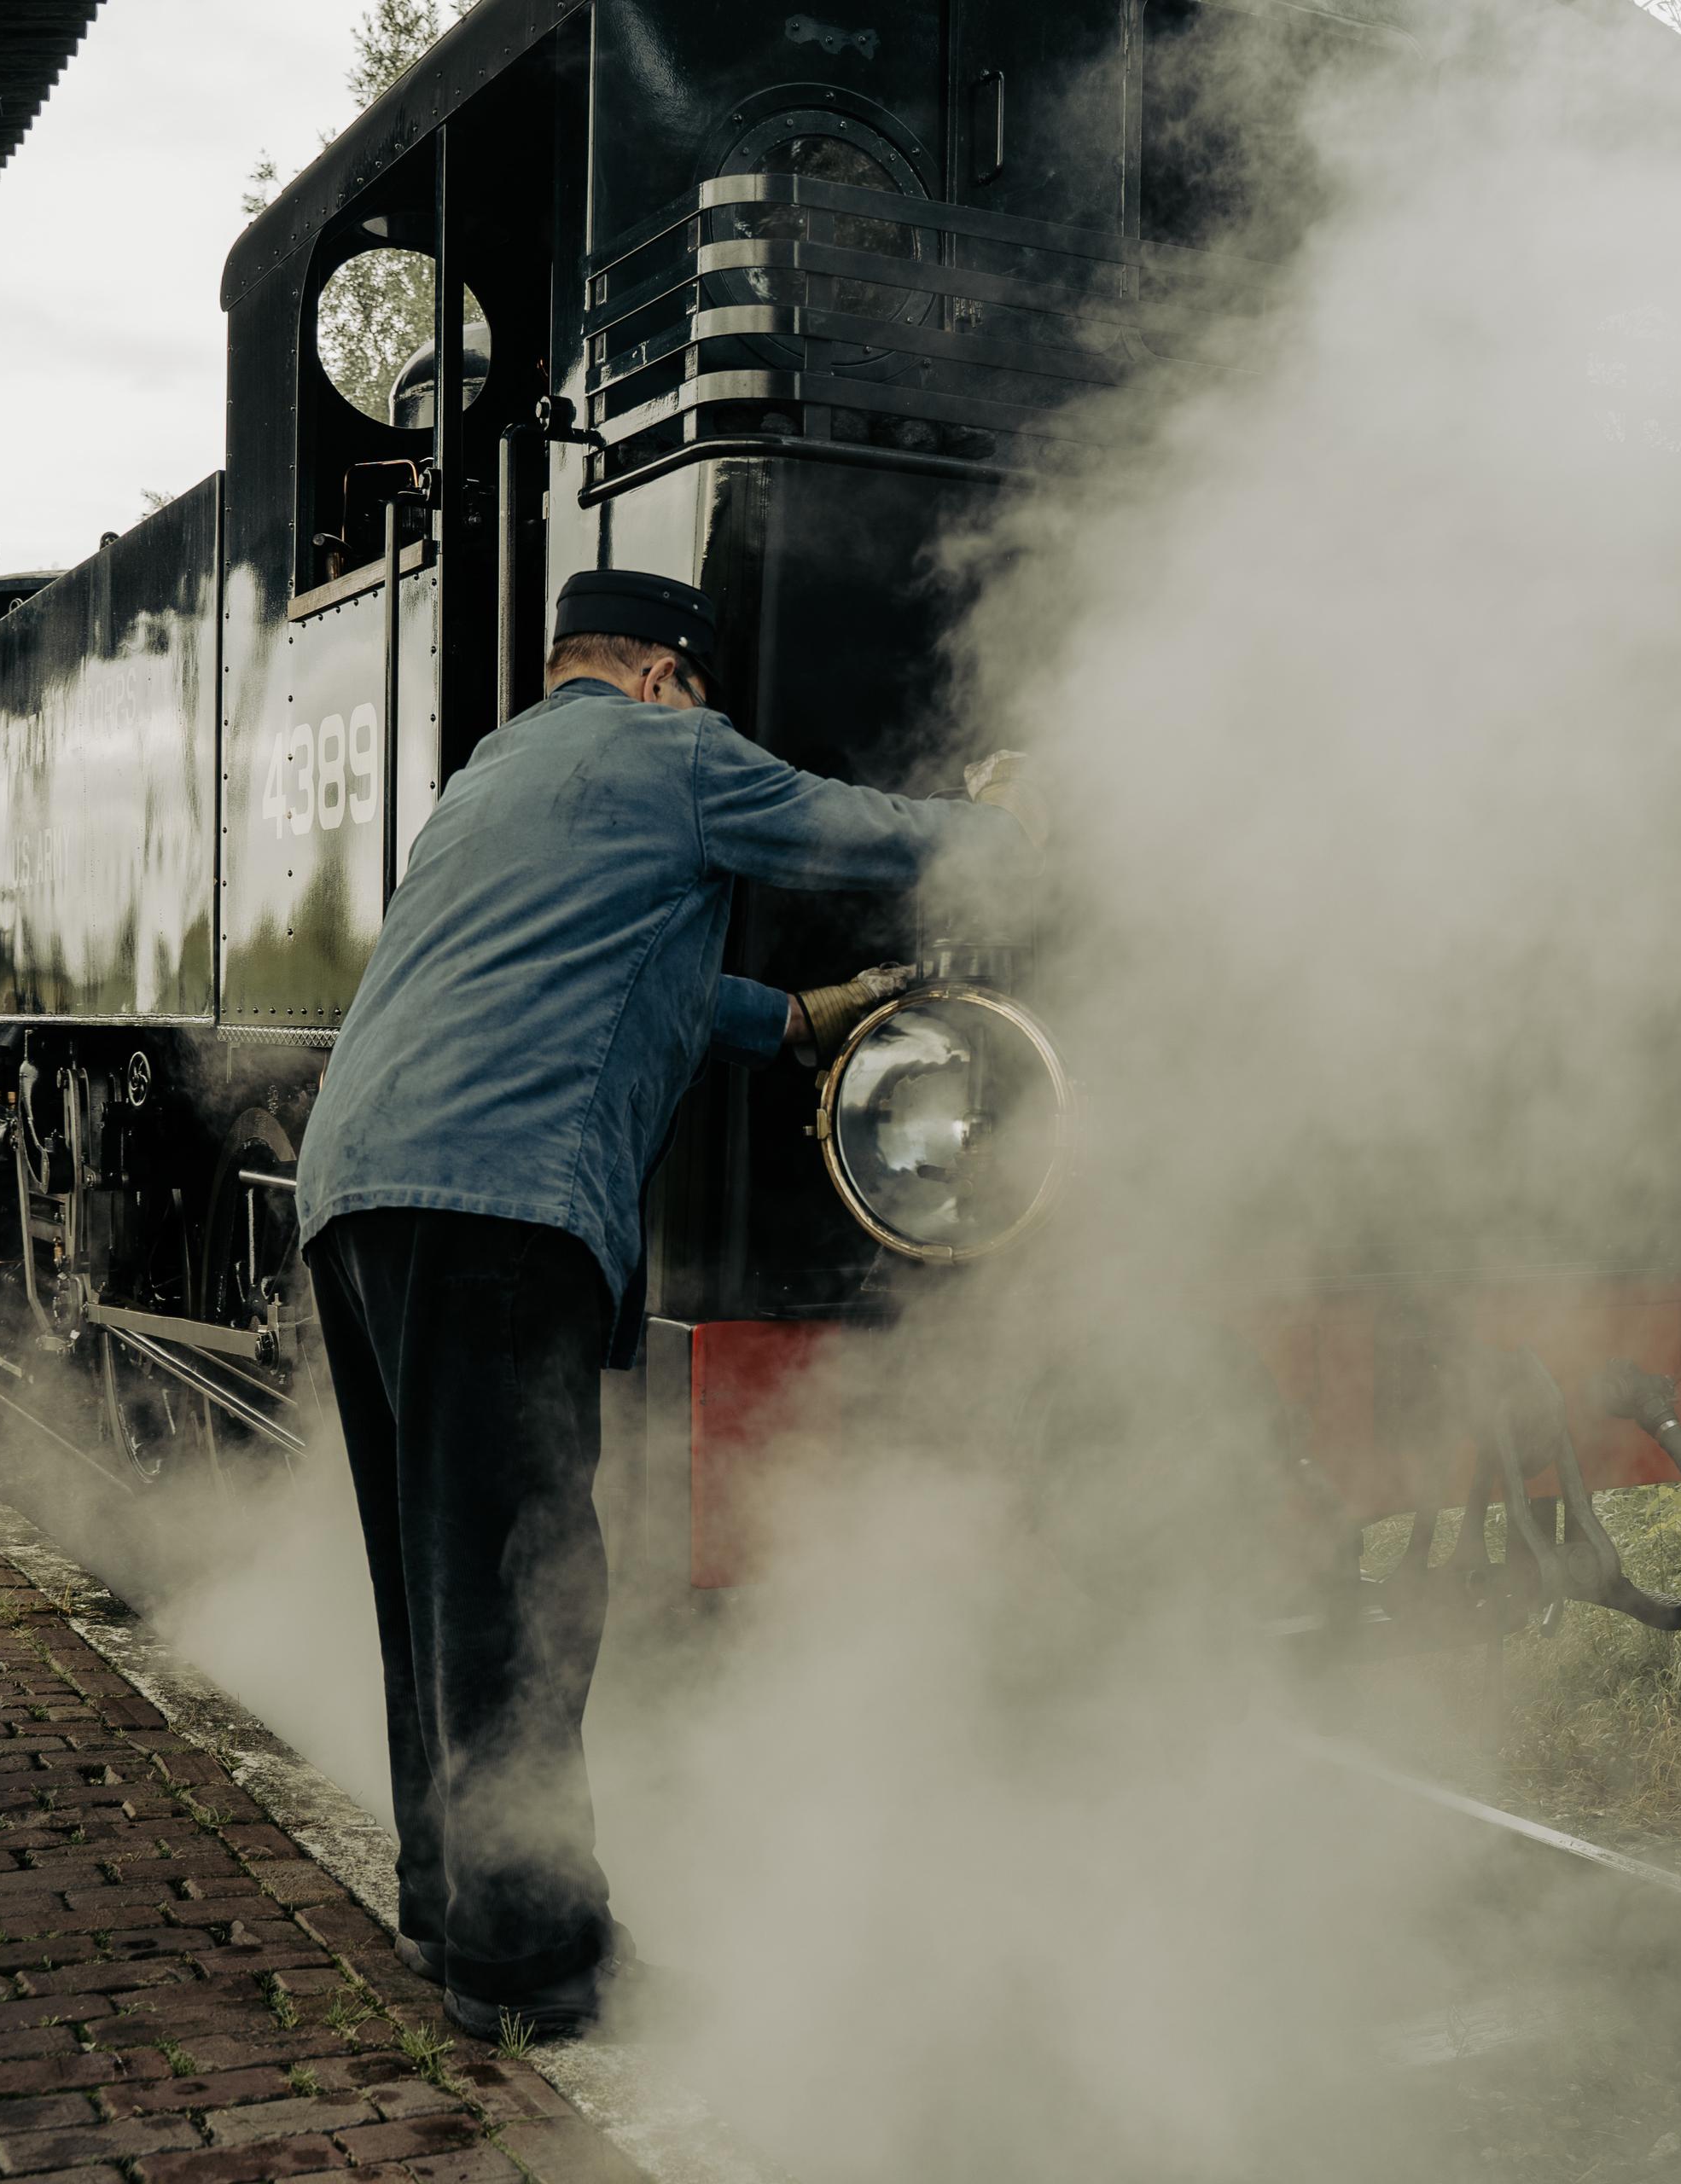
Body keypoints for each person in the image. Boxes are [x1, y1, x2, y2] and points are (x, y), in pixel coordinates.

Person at [293, 566, 1044, 2038]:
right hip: (500, 1200)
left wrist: (790, 1024)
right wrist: (1010, 828)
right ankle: (538, 1967)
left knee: (427, 1578)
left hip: (361, 1190)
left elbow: (612, 972)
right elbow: (864, 834)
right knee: (520, 1584)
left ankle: (456, 1908)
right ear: (660, 677)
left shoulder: (493, 776)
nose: (709, 724)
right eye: (700, 696)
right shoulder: (672, 753)